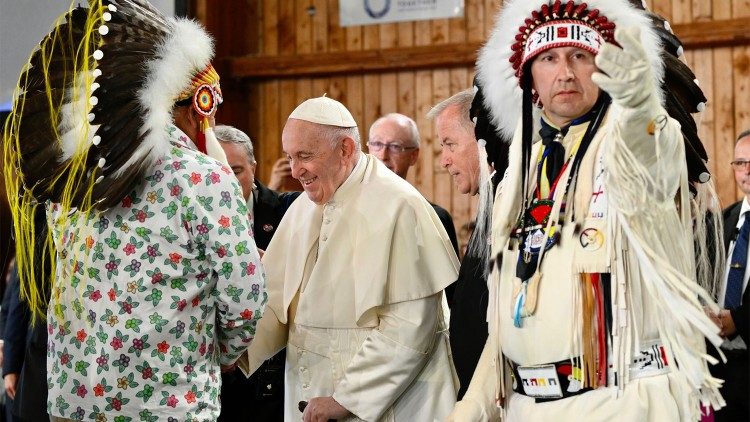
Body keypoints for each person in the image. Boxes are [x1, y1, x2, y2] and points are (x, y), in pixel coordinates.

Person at [449, 1, 726, 420]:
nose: (565, 72)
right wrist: (473, 405)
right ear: (529, 79)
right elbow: (509, 312)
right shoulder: (520, 172)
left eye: (580, 56)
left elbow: (651, 153)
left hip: (620, 403)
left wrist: (640, 102)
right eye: (548, 58)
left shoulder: (629, 147)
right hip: (529, 406)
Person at [2, 1, 266, 421]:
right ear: (199, 105)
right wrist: (224, 355)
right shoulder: (206, 180)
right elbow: (244, 297)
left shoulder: (75, 181)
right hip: (168, 403)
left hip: (76, 401)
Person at [238, 96, 460, 422]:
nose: (296, 170)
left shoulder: (400, 205)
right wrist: (237, 347)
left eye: (305, 156)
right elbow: (277, 300)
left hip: (390, 402)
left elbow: (411, 327)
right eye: (290, 157)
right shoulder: (303, 207)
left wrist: (347, 398)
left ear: (344, 149)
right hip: (311, 395)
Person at [215, 125, 300, 422]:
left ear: (253, 167)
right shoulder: (189, 218)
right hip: (215, 375)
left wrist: (269, 268)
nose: (226, 180)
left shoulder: (288, 210)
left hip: (272, 376)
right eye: (217, 170)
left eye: (236, 170)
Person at [427, 89, 495, 400]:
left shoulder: (507, 203)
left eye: (450, 144)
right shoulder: (491, 202)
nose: (444, 161)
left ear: (482, 138)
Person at [367, 113, 459, 254]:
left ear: (413, 156)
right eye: (377, 144)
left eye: (395, 146)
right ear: (368, 148)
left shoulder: (435, 218)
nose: (383, 156)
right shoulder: (346, 210)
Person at [711, 129, 750, 421]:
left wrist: (737, 320)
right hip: (722, 366)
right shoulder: (726, 218)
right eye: (740, 163)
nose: (746, 170)